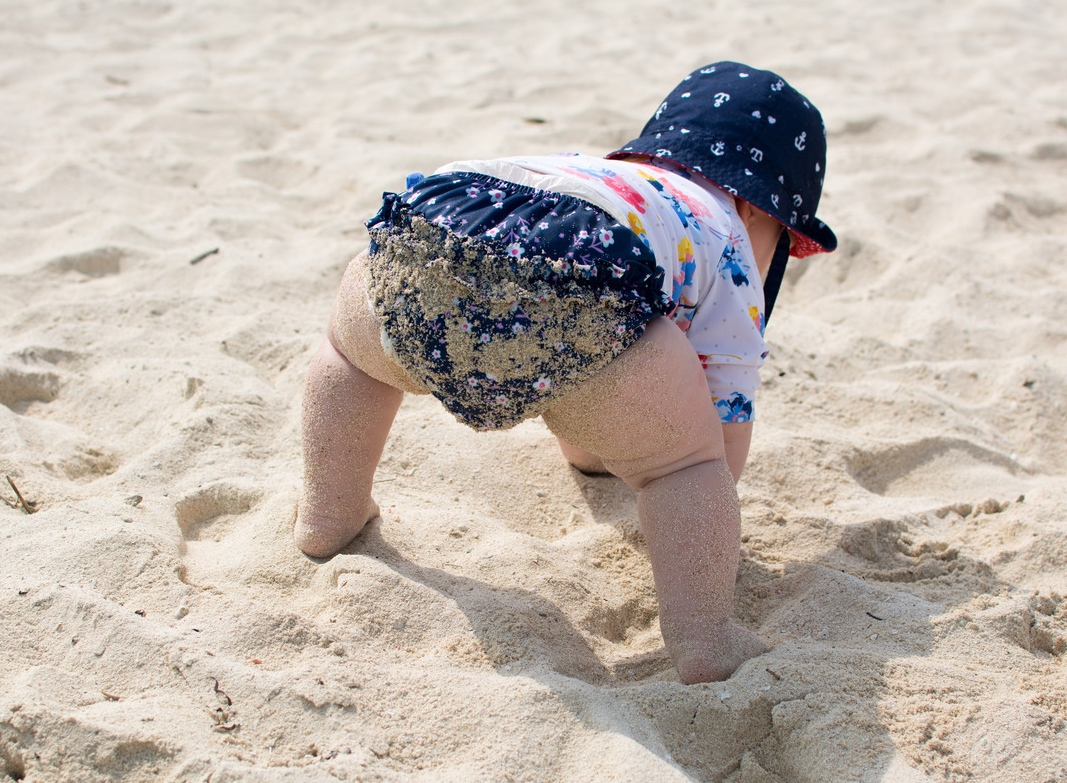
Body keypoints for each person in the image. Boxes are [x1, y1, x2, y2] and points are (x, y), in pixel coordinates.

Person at [295, 61, 837, 683]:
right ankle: (705, 636)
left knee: (351, 357)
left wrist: (593, 448)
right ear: (753, 208)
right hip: (580, 300)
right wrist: (687, 471)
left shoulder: (596, 175)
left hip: (432, 235)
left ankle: (328, 514)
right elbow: (723, 419)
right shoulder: (729, 237)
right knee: (687, 463)